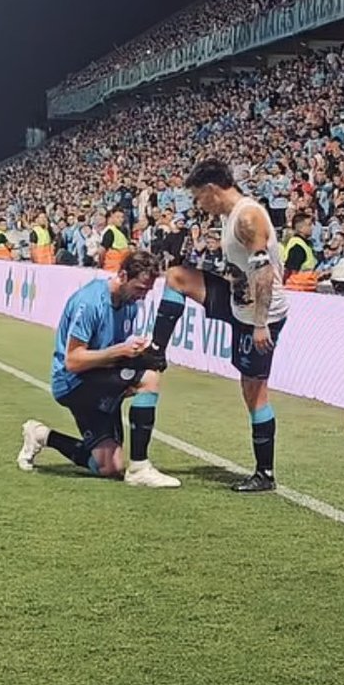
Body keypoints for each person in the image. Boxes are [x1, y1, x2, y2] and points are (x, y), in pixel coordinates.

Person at [148, 158, 289, 493]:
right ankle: (155, 351)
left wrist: (260, 325)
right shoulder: (229, 216)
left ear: (212, 190)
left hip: (261, 313)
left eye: (199, 197)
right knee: (177, 277)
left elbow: (264, 273)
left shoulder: (247, 218)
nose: (199, 204)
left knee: (253, 391)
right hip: (238, 300)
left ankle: (265, 474)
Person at [16, 250, 180, 487]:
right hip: (72, 382)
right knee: (148, 380)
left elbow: (112, 354)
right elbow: (73, 361)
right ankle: (140, 467)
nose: (143, 296)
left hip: (98, 376)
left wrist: (141, 356)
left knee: (110, 467)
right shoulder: (90, 302)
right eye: (140, 288)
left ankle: (41, 435)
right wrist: (121, 351)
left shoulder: (129, 304)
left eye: (147, 290)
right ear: (123, 275)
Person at [282, 211, 319, 291]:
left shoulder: (306, 244)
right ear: (300, 228)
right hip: (298, 290)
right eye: (309, 225)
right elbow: (292, 272)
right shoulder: (297, 247)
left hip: (306, 288)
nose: (312, 228)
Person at [99, 206, 131, 273]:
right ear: (112, 217)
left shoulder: (124, 231)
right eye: (117, 217)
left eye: (122, 217)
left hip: (122, 268)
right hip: (112, 269)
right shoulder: (110, 232)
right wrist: (101, 265)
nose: (120, 219)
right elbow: (102, 251)